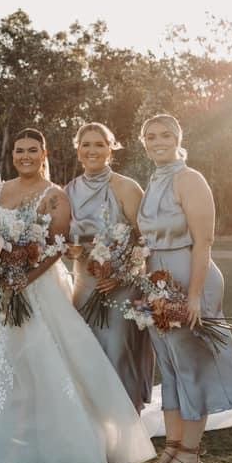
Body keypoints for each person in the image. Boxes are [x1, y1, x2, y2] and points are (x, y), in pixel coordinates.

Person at [0, 128, 155, 463]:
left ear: (44, 154)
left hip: (36, 289)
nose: (24, 155)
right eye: (19, 150)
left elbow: (56, 246)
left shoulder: (55, 196)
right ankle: (8, 430)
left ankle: (51, 431)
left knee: (39, 356)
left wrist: (24, 278)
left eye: (32, 150)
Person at [136, 114, 232, 463]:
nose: (158, 141)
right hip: (158, 282)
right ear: (143, 142)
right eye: (150, 136)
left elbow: (205, 242)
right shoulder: (153, 181)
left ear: (178, 137)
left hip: (191, 278)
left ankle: (191, 452)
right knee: (168, 367)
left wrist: (196, 296)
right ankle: (171, 446)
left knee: (191, 368)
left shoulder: (190, 179)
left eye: (165, 134)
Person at [65, 122, 154, 411]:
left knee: (117, 349)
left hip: (122, 286)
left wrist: (124, 274)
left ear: (110, 149)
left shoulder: (127, 187)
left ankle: (127, 421)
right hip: (84, 284)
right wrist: (71, 250)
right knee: (84, 350)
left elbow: (146, 241)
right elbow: (64, 240)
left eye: (99, 144)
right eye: (86, 144)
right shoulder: (67, 191)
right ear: (78, 150)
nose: (92, 150)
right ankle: (92, 420)